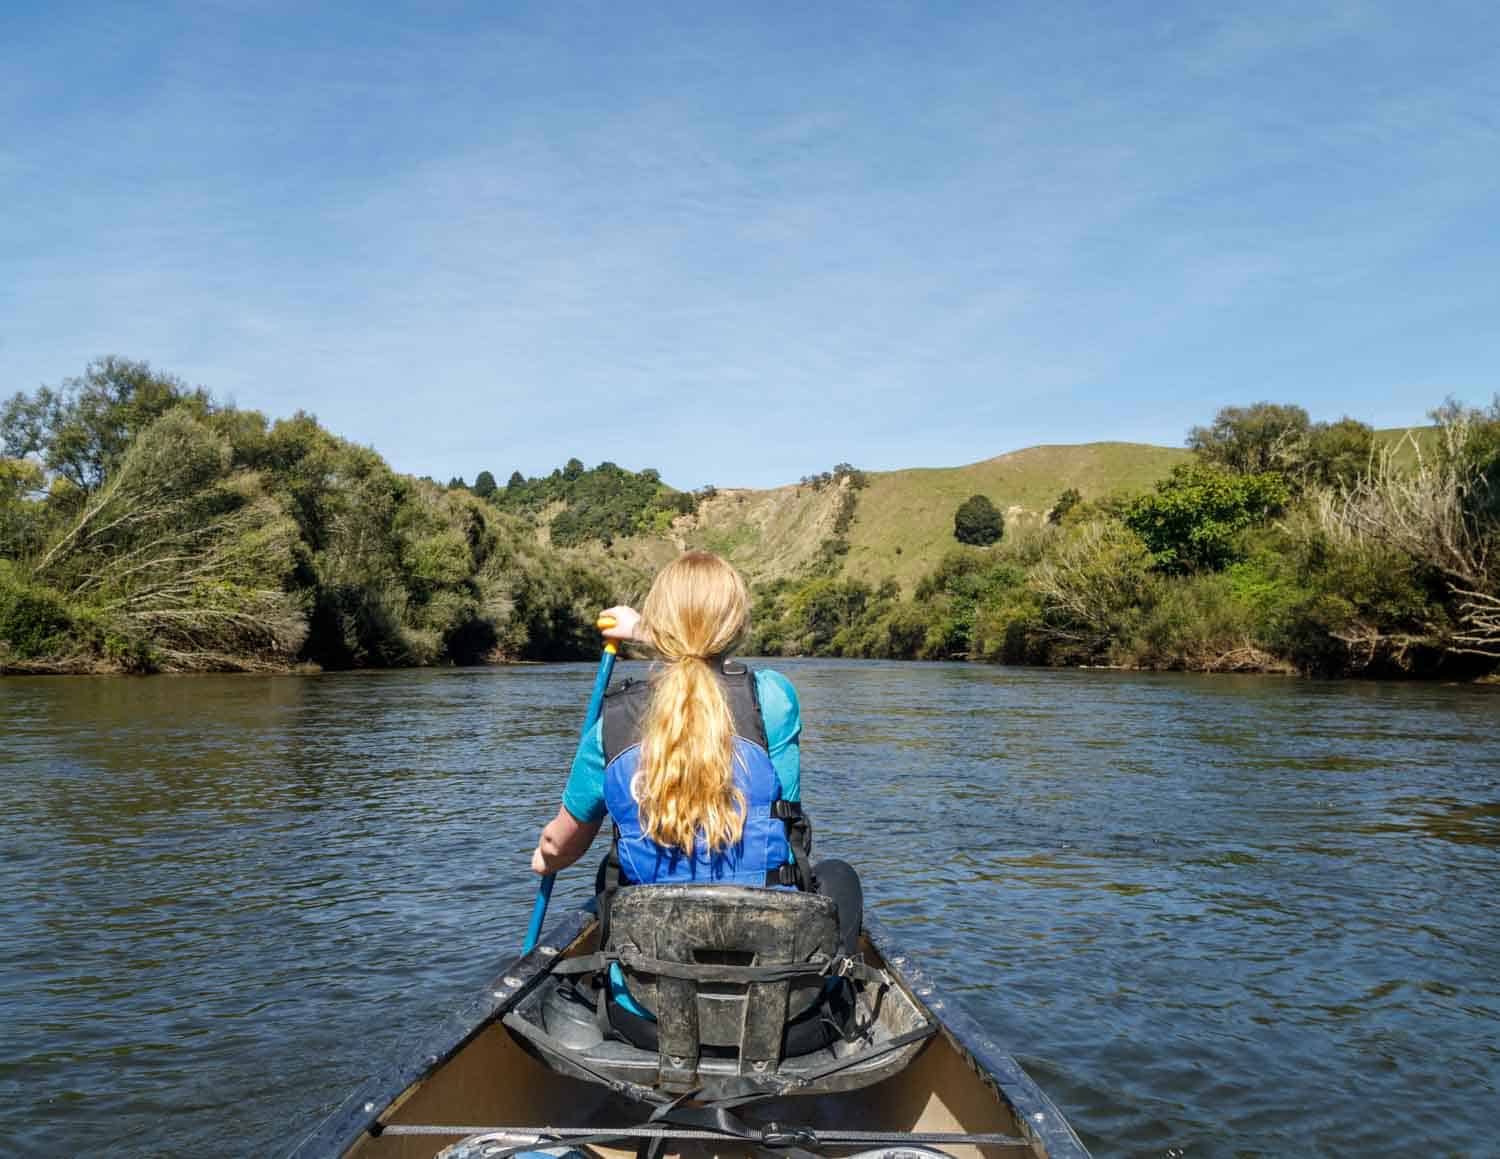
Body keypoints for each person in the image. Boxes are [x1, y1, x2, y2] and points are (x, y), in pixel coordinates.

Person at [529, 550, 862, 959]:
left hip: (643, 1011)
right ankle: (833, 997)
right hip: (778, 985)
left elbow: (561, 843)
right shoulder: (773, 699)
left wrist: (547, 859)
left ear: (660, 626)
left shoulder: (611, 725)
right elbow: (705, 667)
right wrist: (655, 634)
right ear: (737, 626)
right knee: (839, 877)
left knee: (609, 874)